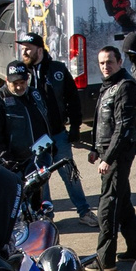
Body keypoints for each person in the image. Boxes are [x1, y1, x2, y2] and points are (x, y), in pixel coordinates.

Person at [89, 43, 136, 271]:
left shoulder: (125, 86)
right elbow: (103, 121)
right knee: (121, 202)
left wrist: (108, 158)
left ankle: (106, 258)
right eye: (102, 63)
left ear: (119, 62)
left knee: (108, 205)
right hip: (108, 151)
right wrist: (96, 150)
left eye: (109, 62)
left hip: (119, 153)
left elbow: (123, 127)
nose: (105, 66)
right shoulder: (109, 85)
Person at [19, 30, 92, 199]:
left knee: (69, 174)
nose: (24, 52)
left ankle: (84, 210)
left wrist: (75, 126)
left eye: (28, 49)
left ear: (39, 50)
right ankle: (46, 212)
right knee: (39, 178)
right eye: (22, 49)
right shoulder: (21, 73)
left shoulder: (57, 69)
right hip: (35, 138)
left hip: (58, 133)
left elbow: (73, 99)